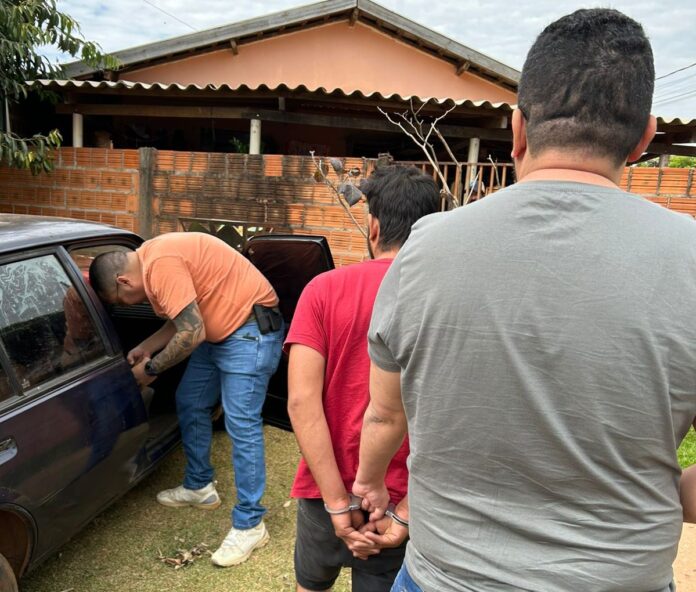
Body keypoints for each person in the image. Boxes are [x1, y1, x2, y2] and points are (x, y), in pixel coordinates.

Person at [353, 9, 696, 592]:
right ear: (643, 139)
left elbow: (385, 413)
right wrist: (657, 492)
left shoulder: (426, 249)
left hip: (445, 577)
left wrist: (370, 483)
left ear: (517, 129)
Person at [286, 165, 439, 592]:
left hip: (324, 488)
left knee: (310, 586)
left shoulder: (322, 289)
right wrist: (406, 511)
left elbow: (301, 402)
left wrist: (336, 501)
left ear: (372, 227)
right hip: (399, 502)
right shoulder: (441, 300)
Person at [89, 232, 283, 567]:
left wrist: (150, 368)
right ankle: (199, 486)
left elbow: (191, 333)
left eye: (121, 300)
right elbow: (184, 319)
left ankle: (251, 524)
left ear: (123, 280)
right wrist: (148, 345)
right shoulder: (150, 258)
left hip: (249, 332)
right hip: (218, 332)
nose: (128, 305)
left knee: (242, 427)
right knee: (190, 401)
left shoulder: (160, 264)